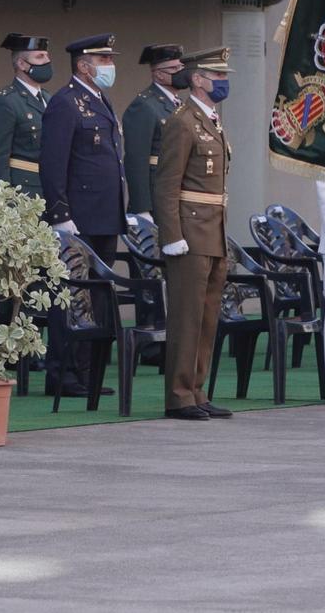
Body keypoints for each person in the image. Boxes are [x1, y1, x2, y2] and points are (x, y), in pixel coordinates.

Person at [153, 48, 236, 420]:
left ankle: (197, 390)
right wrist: (172, 234)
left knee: (206, 316)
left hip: (212, 231)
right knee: (186, 318)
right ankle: (178, 395)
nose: (223, 82)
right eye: (216, 76)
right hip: (189, 232)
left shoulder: (211, 120)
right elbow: (166, 184)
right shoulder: (182, 122)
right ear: (198, 79)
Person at [39, 34, 125, 397]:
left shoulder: (99, 100)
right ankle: (63, 374)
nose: (109, 66)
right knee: (72, 296)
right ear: (83, 65)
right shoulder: (65, 103)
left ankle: (88, 372)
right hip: (78, 218)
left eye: (109, 59)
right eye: (103, 59)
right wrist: (59, 214)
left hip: (104, 216)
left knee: (99, 296)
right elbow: (52, 163)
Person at [0, 35, 51, 197]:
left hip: (50, 192)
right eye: (40, 56)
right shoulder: (6, 103)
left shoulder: (49, 99)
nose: (47, 61)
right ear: (21, 64)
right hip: (25, 195)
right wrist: (8, 202)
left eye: (47, 56)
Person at [122, 43, 184, 216]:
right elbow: (136, 160)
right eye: (173, 68)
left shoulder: (178, 103)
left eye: (181, 66)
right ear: (158, 75)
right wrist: (142, 208)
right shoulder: (144, 105)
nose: (180, 71)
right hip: (156, 198)